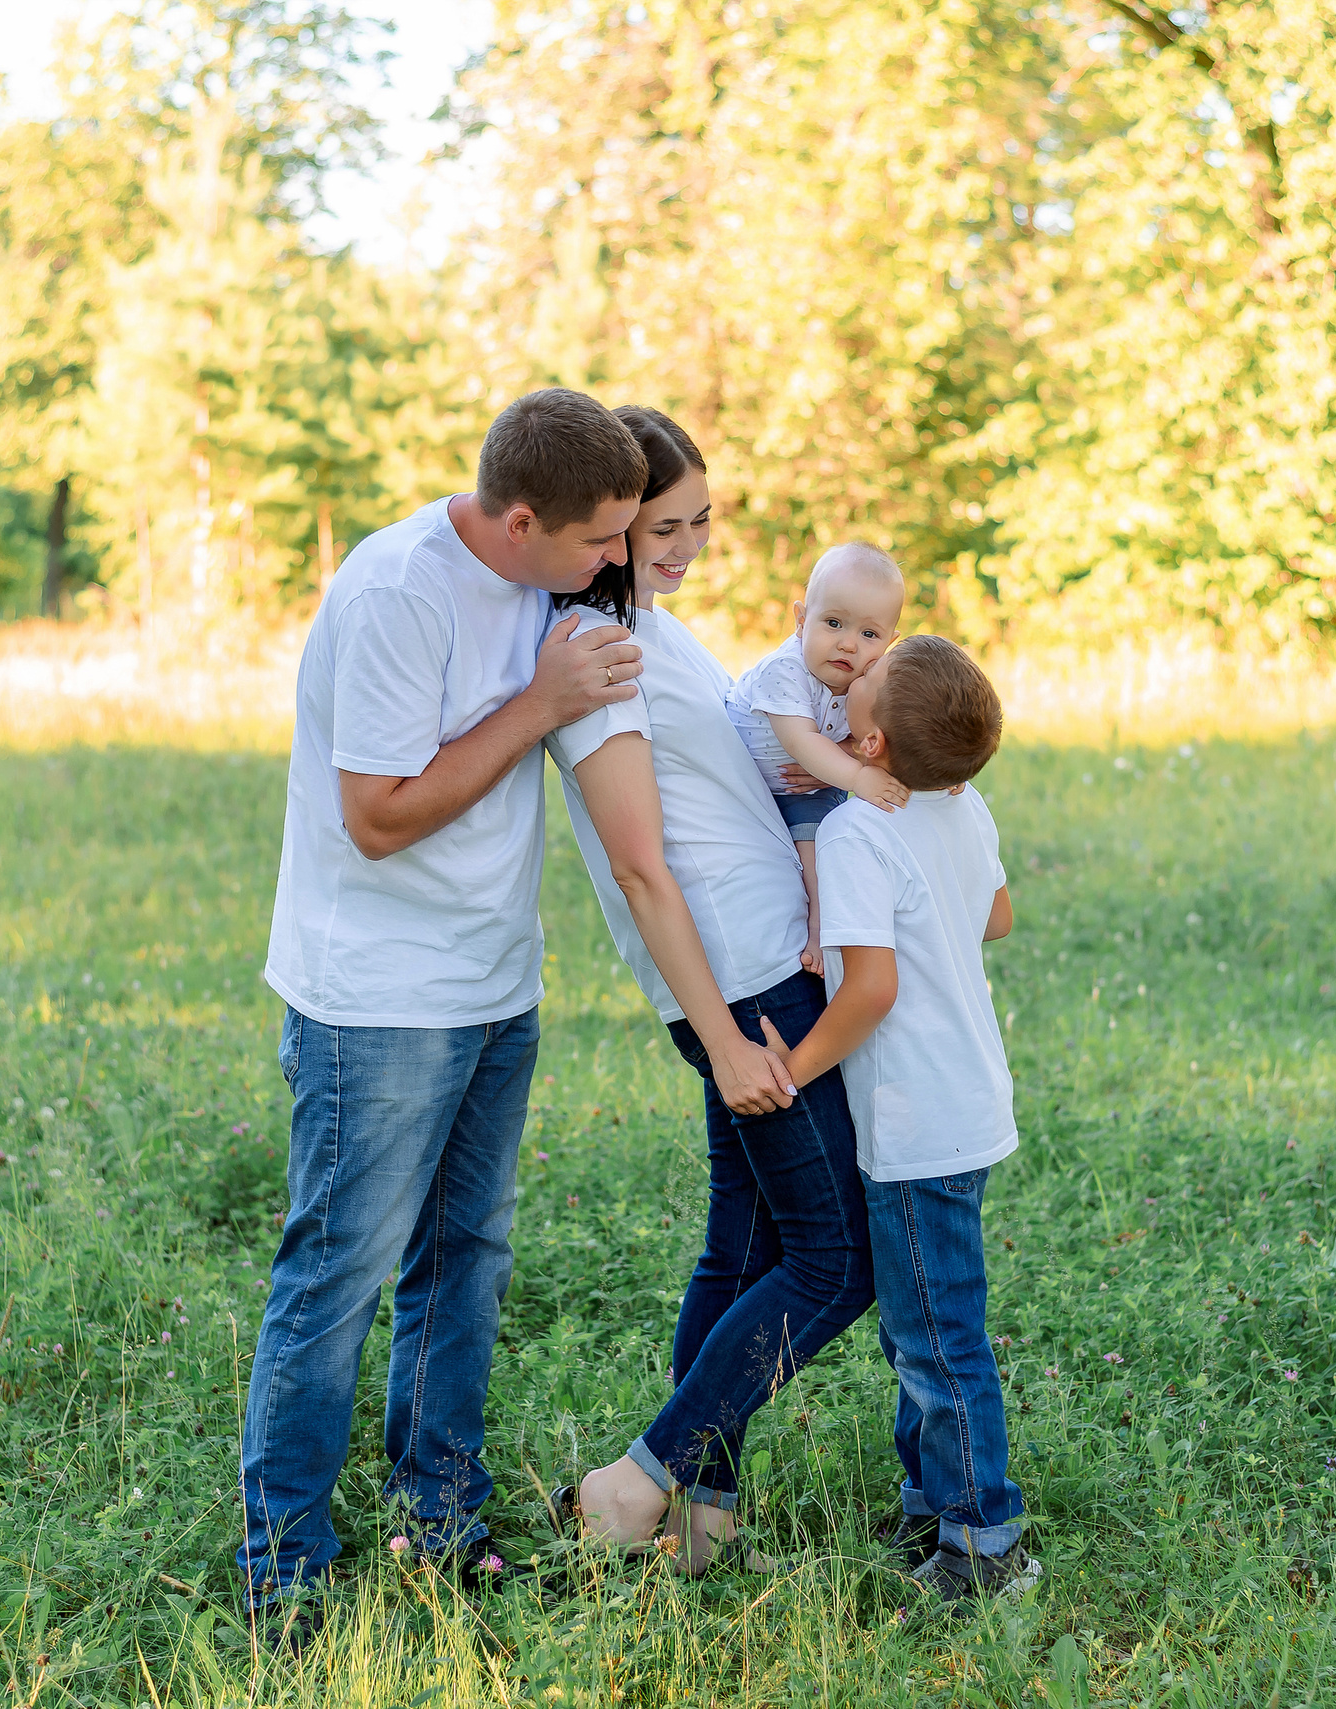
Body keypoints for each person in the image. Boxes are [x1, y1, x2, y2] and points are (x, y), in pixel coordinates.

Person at [241, 389, 654, 1632]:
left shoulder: (548, 580)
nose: (614, 563)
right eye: (596, 542)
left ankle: (440, 1517)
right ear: (521, 518)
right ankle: (285, 1565)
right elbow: (376, 816)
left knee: (464, 1261)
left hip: (493, 983)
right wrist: (540, 702)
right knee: (340, 1273)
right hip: (377, 1001)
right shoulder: (396, 593)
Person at [543, 406, 873, 1570]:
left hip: (764, 965)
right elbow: (640, 864)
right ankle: (633, 1482)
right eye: (663, 527)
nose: (685, 546)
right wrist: (726, 1034)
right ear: (609, 524)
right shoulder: (599, 647)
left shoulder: (655, 627)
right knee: (839, 1260)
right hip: (737, 986)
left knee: (742, 1248)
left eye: (700, 521)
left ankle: (704, 1517)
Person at [762, 635, 1042, 1605]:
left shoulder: (853, 833)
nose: (847, 672)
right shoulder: (961, 803)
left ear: (871, 744)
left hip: (918, 1118)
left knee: (936, 1337)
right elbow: (994, 914)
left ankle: (983, 1544)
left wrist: (791, 1070)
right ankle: (932, 1498)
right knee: (919, 1326)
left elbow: (870, 990)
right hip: (963, 1095)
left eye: (861, 682)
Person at [723, 545, 909, 971]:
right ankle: (821, 926)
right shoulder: (785, 671)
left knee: (848, 835)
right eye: (833, 623)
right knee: (814, 852)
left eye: (869, 634)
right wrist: (858, 777)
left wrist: (942, 773)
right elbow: (803, 743)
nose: (847, 644)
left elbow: (895, 733)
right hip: (754, 779)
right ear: (801, 620)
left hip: (808, 785)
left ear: (889, 643)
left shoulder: (865, 680)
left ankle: (879, 919)